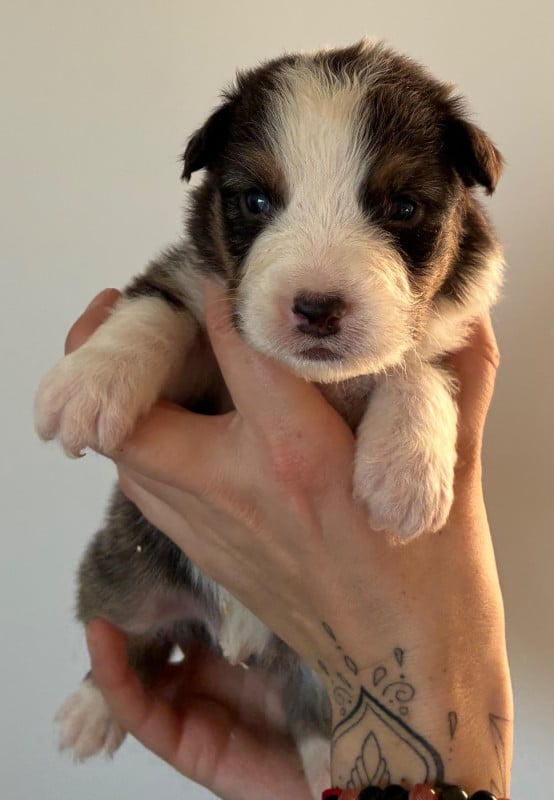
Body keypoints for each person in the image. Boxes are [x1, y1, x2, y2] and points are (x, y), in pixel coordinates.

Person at [64, 284, 513, 800]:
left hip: (309, 670)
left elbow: (435, 355)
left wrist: (420, 394)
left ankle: (317, 736)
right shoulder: (222, 285)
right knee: (123, 598)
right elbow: (176, 307)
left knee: (313, 692)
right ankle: (121, 673)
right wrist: (130, 348)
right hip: (170, 565)